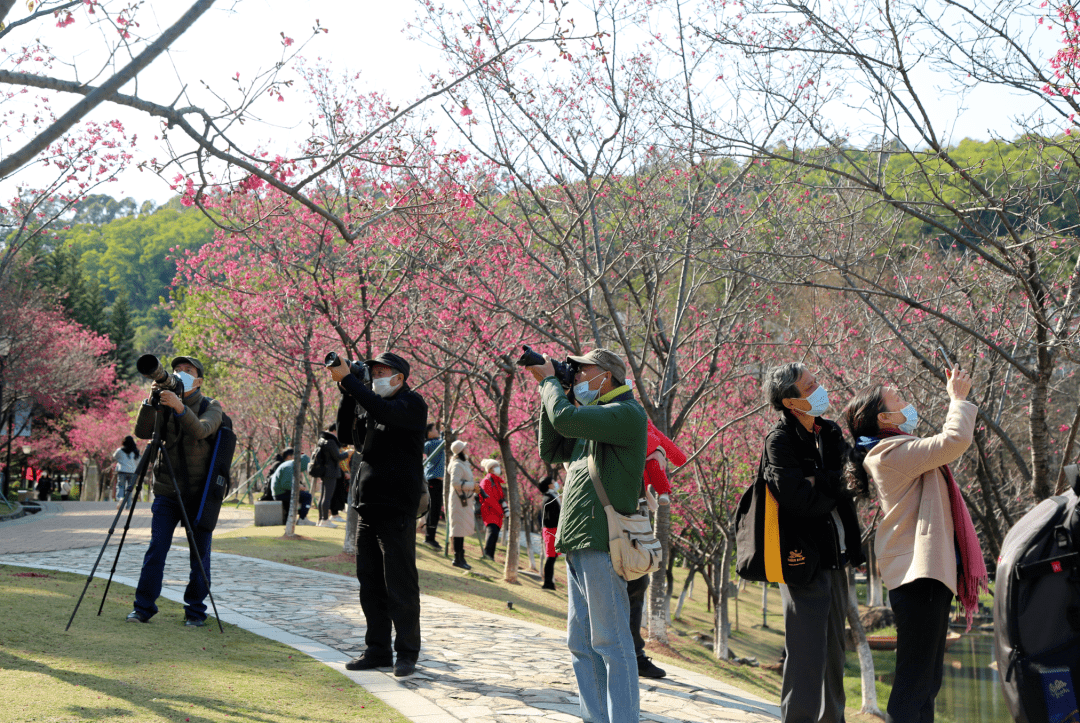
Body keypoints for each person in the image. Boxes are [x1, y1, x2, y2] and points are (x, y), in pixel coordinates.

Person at [844, 367, 985, 723]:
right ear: (884, 417)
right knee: (914, 682)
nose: (907, 402)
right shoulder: (887, 454)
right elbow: (953, 442)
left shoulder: (897, 448)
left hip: (926, 575)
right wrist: (958, 400)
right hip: (917, 576)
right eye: (898, 400)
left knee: (927, 681)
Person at [525, 347, 646, 723]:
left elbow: (565, 418)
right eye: (571, 373)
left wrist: (549, 382)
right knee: (581, 644)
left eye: (581, 371)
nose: (575, 377)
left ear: (605, 376)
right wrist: (556, 387)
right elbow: (552, 445)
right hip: (578, 540)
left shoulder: (625, 413)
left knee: (611, 642)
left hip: (603, 541)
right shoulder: (590, 417)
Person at [760, 362, 865, 723]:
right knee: (807, 655)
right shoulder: (780, 441)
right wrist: (833, 484)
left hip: (836, 555)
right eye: (809, 387)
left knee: (835, 653)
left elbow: (857, 479)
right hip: (800, 559)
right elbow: (800, 503)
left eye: (816, 382)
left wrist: (819, 480)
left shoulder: (831, 432)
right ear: (790, 403)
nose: (819, 390)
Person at [329, 350, 427, 678]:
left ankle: (407, 652)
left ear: (400, 377)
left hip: (397, 506)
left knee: (399, 582)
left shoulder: (412, 404)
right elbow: (345, 435)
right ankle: (377, 649)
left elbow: (385, 410)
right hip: (367, 505)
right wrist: (347, 391)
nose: (376, 376)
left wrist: (351, 381)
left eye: (383, 371)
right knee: (369, 583)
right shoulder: (371, 403)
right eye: (372, 371)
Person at [127, 356, 223, 627]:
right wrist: (151, 401)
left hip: (200, 494)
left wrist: (180, 407)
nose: (181, 374)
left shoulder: (211, 406)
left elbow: (202, 430)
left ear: (199, 380)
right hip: (167, 491)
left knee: (199, 555)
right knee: (156, 548)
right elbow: (143, 432)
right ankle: (142, 608)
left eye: (188, 371)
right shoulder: (165, 402)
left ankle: (195, 612)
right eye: (177, 370)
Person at [446, 439, 476, 570]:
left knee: (461, 529)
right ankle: (457, 558)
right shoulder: (457, 465)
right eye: (465, 448)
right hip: (458, 501)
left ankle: (460, 557)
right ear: (461, 451)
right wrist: (472, 486)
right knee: (458, 530)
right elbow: (455, 483)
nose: (467, 449)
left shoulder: (463, 463)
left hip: (463, 500)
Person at [313, 423, 350, 527]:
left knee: (323, 496)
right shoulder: (331, 441)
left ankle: (321, 519)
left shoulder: (323, 440)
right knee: (327, 497)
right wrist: (348, 453)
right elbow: (338, 457)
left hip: (325, 471)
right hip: (331, 472)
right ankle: (324, 520)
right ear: (335, 430)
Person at [270, 448, 312, 526]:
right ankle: (302, 519)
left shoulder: (290, 464)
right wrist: (299, 487)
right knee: (307, 496)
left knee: (303, 495)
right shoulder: (289, 467)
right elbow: (285, 485)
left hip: (280, 492)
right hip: (281, 493)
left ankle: (302, 516)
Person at [422, 422, 446, 549]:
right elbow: (447, 440)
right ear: (429, 433)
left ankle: (430, 537)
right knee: (434, 509)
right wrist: (446, 430)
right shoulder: (432, 443)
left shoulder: (435, 443)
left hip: (436, 481)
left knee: (435, 509)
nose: (437, 431)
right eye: (435, 429)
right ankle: (429, 537)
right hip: (433, 481)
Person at [478, 459, 508, 560]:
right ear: (490, 469)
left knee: (495, 535)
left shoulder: (497, 482)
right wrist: (500, 510)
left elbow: (500, 498)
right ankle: (487, 554)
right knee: (492, 533)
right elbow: (488, 499)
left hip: (497, 513)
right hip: (490, 511)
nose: (498, 468)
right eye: (496, 466)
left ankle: (491, 556)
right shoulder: (486, 481)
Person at [537, 475, 561, 590]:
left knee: (553, 557)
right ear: (549, 486)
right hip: (551, 530)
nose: (555, 483)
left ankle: (549, 582)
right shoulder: (549, 498)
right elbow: (551, 517)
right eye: (553, 482)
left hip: (553, 530)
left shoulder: (552, 496)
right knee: (551, 557)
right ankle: (547, 583)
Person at [113, 436, 141, 509]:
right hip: (132, 471)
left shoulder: (119, 450)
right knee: (129, 489)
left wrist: (121, 460)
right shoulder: (135, 452)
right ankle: (128, 505)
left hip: (122, 470)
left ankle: (120, 498)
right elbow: (139, 462)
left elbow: (114, 456)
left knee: (120, 486)